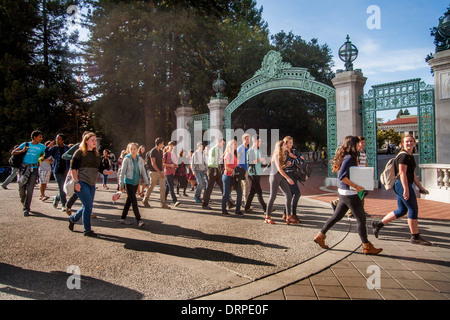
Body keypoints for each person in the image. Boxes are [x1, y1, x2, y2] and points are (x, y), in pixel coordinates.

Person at [314, 136, 382, 255]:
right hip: (350, 193)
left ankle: (320, 236)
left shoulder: (350, 157)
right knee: (361, 219)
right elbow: (342, 176)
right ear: (353, 144)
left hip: (346, 193)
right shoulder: (349, 158)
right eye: (357, 143)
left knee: (337, 217)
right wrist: (356, 186)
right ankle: (366, 246)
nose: (359, 145)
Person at [372, 134, 431, 246]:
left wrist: (420, 187)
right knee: (413, 208)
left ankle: (378, 224)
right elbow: (402, 173)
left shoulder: (410, 156)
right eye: (406, 142)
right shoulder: (403, 156)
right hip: (401, 184)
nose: (409, 143)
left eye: (411, 141)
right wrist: (406, 189)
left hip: (404, 184)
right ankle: (415, 236)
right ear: (402, 144)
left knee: (402, 210)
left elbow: (412, 174)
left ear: (414, 143)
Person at [68, 132, 114, 237]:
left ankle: (73, 219)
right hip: (81, 182)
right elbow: (73, 169)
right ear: (86, 141)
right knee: (88, 206)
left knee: (87, 206)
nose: (95, 142)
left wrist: (107, 172)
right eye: (92, 140)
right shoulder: (79, 153)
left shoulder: (97, 155)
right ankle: (87, 230)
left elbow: (101, 169)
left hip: (92, 184)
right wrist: (76, 182)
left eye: (95, 140)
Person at [12, 130, 46, 216]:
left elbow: (43, 154)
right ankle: (23, 202)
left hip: (34, 169)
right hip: (23, 169)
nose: (41, 138)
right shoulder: (26, 144)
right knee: (22, 188)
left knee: (30, 189)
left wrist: (41, 158)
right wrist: (22, 151)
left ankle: (26, 208)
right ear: (34, 137)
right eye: (40, 137)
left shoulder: (42, 147)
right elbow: (13, 152)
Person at [119, 142, 149, 228]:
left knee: (129, 200)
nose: (132, 150)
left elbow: (143, 171)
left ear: (137, 149)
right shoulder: (127, 158)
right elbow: (122, 172)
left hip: (136, 182)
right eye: (131, 149)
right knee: (134, 201)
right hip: (128, 182)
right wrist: (121, 185)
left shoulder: (139, 159)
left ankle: (123, 218)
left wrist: (146, 182)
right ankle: (139, 220)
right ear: (129, 150)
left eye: (134, 149)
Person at [264, 140, 294, 224]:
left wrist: (286, 165)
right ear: (280, 146)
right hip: (274, 177)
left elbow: (281, 167)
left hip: (280, 177)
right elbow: (279, 169)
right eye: (284, 144)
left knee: (289, 195)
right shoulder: (276, 155)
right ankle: (267, 217)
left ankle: (288, 217)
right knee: (273, 196)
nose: (286, 145)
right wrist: (288, 178)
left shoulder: (283, 155)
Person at [202, 137, 232, 210]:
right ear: (218, 142)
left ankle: (229, 203)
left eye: (224, 144)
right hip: (213, 169)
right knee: (210, 187)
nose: (223, 145)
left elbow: (220, 159)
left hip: (217, 170)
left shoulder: (219, 150)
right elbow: (213, 161)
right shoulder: (213, 150)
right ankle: (205, 204)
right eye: (222, 143)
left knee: (222, 186)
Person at [142, 138, 170, 209]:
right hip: (154, 172)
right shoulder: (153, 151)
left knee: (163, 188)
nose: (163, 145)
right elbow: (153, 163)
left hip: (161, 171)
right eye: (162, 143)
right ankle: (145, 200)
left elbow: (161, 162)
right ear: (159, 143)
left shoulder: (160, 151)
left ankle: (163, 204)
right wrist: (159, 172)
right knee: (151, 187)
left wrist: (162, 171)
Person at [45, 134, 71, 212]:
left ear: (63, 140)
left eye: (59, 139)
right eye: (56, 139)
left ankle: (56, 197)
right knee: (61, 188)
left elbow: (72, 157)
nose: (57, 140)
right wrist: (48, 147)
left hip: (66, 171)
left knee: (66, 188)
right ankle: (64, 205)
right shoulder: (54, 148)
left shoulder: (67, 148)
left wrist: (69, 169)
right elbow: (46, 155)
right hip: (57, 171)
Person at [244, 135, 267, 213]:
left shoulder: (258, 150)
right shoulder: (250, 151)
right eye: (259, 141)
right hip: (252, 173)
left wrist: (262, 161)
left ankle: (247, 207)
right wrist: (259, 159)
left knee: (252, 191)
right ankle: (265, 209)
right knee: (259, 191)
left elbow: (258, 161)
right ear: (254, 141)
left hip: (258, 172)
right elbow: (250, 162)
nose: (260, 143)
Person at [283, 136, 303, 224]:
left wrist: (293, 157)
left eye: (292, 142)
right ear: (285, 143)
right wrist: (296, 159)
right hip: (288, 174)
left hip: (295, 174)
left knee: (290, 194)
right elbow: (286, 163)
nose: (291, 144)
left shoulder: (294, 151)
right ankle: (293, 214)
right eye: (289, 143)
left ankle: (285, 213)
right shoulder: (284, 152)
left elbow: (301, 161)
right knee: (297, 193)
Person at [222, 139, 243, 216]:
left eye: (236, 144)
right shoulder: (227, 155)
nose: (236, 145)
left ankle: (238, 210)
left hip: (234, 177)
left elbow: (236, 166)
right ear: (230, 145)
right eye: (234, 144)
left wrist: (239, 171)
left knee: (240, 192)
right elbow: (226, 167)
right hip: (227, 177)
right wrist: (235, 171)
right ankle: (223, 210)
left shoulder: (234, 154)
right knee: (226, 194)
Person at [163, 141, 180, 207]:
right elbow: (163, 164)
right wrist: (170, 165)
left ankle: (163, 200)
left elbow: (176, 164)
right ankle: (175, 201)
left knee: (168, 187)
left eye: (173, 146)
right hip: (167, 172)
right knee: (171, 187)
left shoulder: (175, 154)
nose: (172, 147)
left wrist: (175, 165)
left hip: (173, 172)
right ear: (168, 146)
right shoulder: (166, 154)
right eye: (171, 145)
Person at [237, 134, 251, 204]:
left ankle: (240, 201)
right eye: (247, 139)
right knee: (246, 185)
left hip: (246, 169)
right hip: (241, 169)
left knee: (242, 186)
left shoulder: (247, 148)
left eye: (249, 139)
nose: (248, 140)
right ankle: (246, 202)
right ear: (243, 139)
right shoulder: (240, 148)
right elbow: (237, 158)